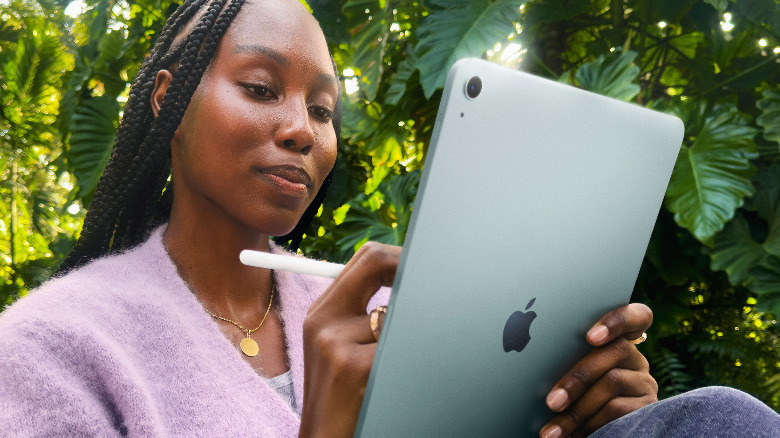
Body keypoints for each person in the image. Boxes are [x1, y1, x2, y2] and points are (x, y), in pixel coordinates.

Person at [0, 0, 777, 437]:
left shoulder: (381, 316)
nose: (305, 129)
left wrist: (594, 417)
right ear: (167, 101)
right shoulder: (56, 346)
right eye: (262, 88)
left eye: (324, 109)